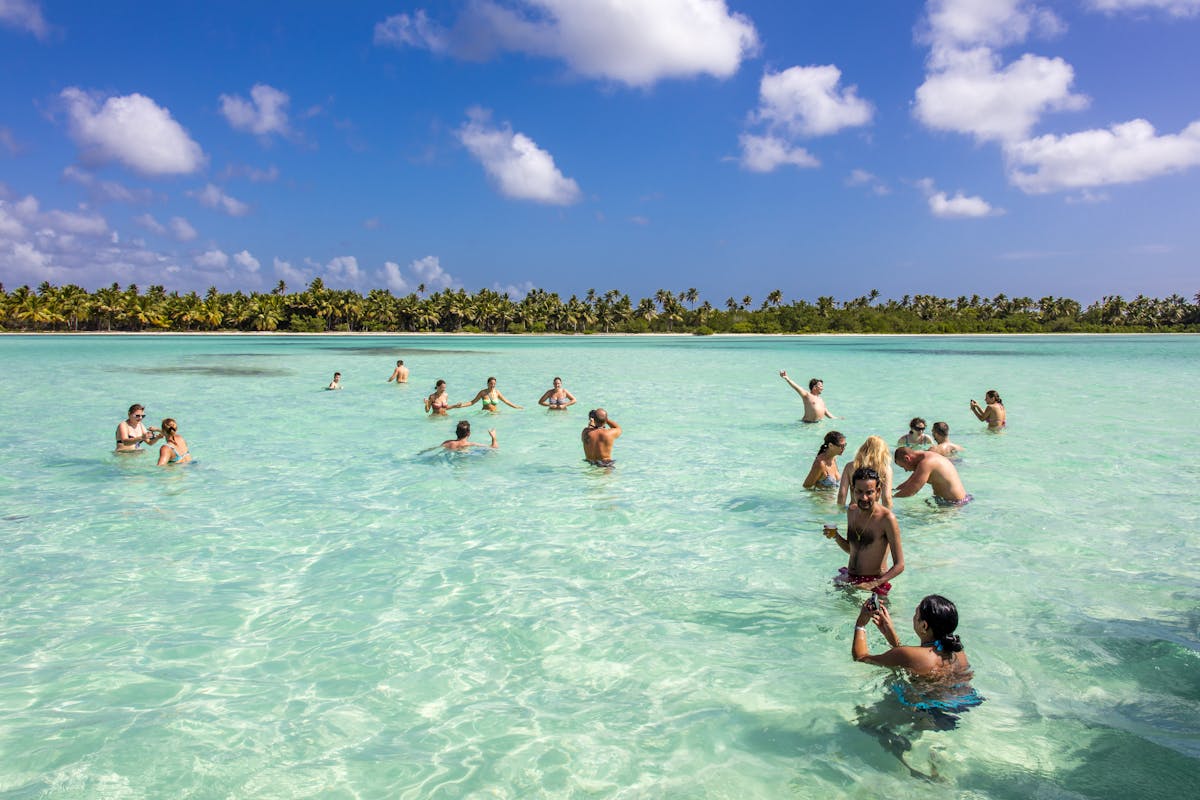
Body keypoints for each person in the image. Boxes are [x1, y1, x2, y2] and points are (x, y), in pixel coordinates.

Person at [826, 466, 904, 596]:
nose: (864, 497)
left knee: (881, 615)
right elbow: (853, 549)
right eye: (859, 492)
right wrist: (835, 536)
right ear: (853, 490)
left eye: (869, 492)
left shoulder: (887, 519)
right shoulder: (851, 511)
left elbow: (900, 565)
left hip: (874, 581)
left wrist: (873, 584)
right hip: (850, 577)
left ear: (878, 492)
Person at [894, 447, 971, 505]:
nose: (906, 470)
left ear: (907, 458)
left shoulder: (927, 463)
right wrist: (892, 491)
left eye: (903, 466)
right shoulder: (922, 458)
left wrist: (890, 499)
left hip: (954, 503)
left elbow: (911, 491)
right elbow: (910, 482)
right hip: (951, 500)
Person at [837, 436, 893, 508]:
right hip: (872, 511)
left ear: (863, 449)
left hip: (854, 510)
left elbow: (842, 494)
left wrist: (840, 512)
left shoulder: (850, 466)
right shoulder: (886, 469)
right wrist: (887, 516)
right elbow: (886, 498)